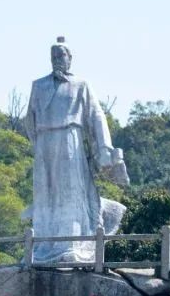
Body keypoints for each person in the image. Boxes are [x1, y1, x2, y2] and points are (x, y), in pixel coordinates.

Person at [25, 37, 129, 263]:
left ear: (70, 58)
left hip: (70, 138)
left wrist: (104, 147)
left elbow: (96, 116)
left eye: (61, 56)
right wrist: (39, 143)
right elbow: (29, 119)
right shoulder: (38, 85)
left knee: (71, 191)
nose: (57, 60)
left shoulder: (81, 84)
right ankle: (42, 248)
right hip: (44, 141)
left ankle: (72, 246)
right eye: (53, 56)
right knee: (46, 193)